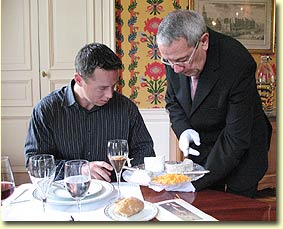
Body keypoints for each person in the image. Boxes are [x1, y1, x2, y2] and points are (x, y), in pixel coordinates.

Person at [156, 9, 272, 198]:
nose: (175, 69)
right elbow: (173, 101)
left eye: (182, 60)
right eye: (168, 62)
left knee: (234, 211)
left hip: (242, 151)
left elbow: (235, 138)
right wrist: (183, 129)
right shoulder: (175, 55)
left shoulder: (237, 62)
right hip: (204, 148)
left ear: (204, 42)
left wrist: (197, 182)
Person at [24, 43, 155, 182]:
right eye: (102, 88)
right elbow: (34, 163)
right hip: (65, 195)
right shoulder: (46, 110)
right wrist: (79, 169)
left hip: (115, 194)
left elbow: (144, 150)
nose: (110, 95)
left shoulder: (126, 108)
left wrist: (133, 177)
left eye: (113, 86)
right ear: (79, 80)